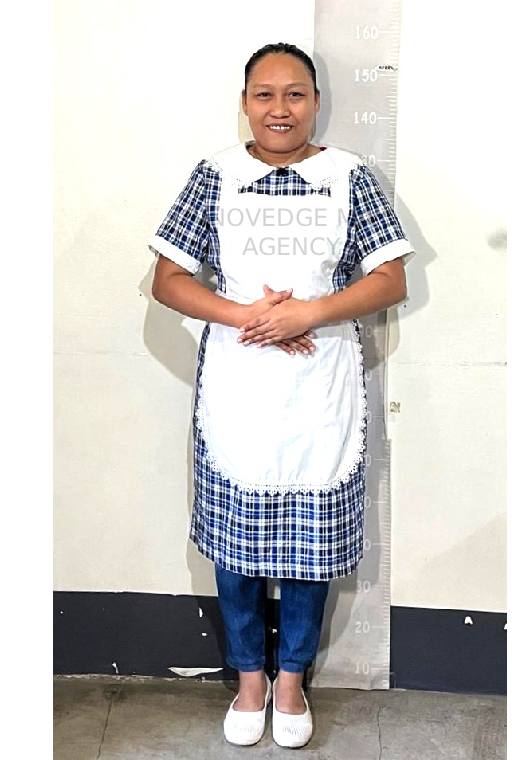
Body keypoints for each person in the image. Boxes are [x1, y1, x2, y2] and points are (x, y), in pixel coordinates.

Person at [149, 42, 414, 748]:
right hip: (239, 380)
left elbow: (389, 279)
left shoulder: (348, 176)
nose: (280, 109)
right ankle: (249, 678)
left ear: (316, 102)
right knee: (235, 544)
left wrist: (308, 313)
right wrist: (250, 316)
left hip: (320, 380)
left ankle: (291, 678)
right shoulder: (216, 175)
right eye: (264, 94)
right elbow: (168, 280)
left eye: (295, 94)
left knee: (312, 542)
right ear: (244, 103)